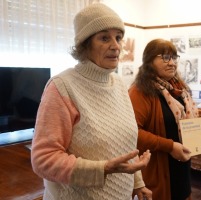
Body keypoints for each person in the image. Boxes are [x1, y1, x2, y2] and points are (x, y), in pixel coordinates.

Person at [30, 3, 152, 200]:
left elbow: (125, 146)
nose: (116, 46)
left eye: (118, 38)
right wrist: (102, 169)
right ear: (85, 45)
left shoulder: (120, 84)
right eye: (104, 38)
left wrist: (138, 184)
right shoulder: (62, 87)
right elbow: (43, 159)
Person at [128, 38, 201, 200]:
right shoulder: (139, 92)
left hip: (182, 165)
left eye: (174, 57)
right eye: (165, 57)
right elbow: (133, 133)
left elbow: (182, 119)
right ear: (149, 60)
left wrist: (200, 126)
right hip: (158, 169)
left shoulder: (179, 89)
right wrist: (170, 146)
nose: (172, 63)